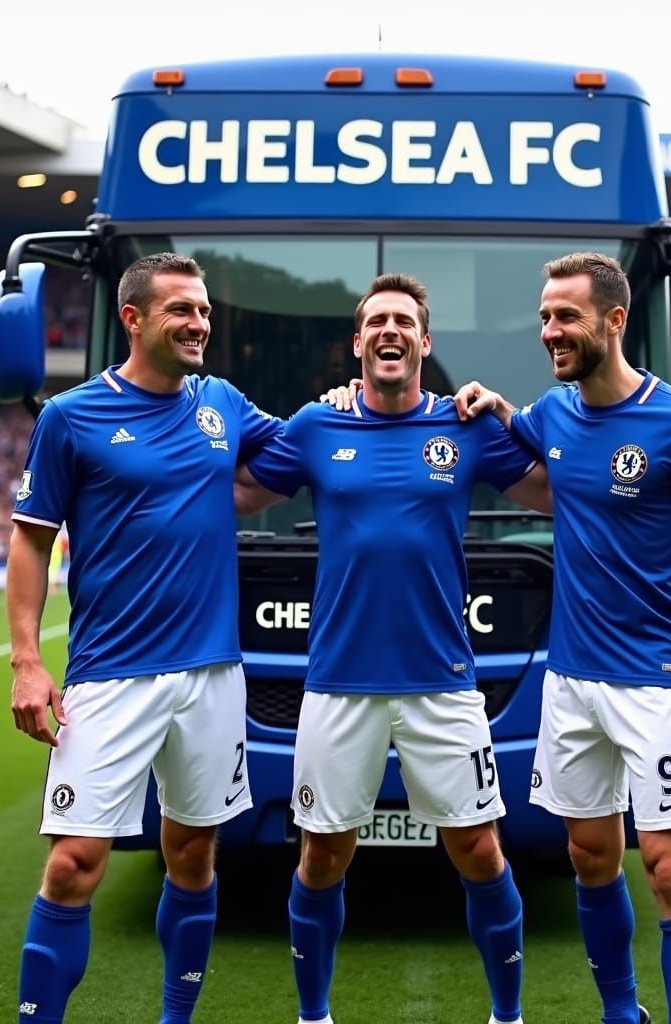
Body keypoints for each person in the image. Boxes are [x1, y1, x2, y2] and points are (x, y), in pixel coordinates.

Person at [234, 273, 552, 1024]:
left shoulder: (465, 427)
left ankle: (506, 1016)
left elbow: (552, 489)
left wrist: (516, 416)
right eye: (376, 320)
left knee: (479, 851)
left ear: (423, 342)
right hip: (338, 683)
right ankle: (315, 1016)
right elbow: (234, 492)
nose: (390, 331)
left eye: (404, 321)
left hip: (442, 682)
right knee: (321, 856)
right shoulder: (317, 426)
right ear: (358, 342)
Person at [454, 252, 671, 1024]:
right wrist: (492, 406)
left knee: (664, 868)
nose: (550, 331)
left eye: (566, 317)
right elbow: (541, 471)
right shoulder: (551, 416)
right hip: (570, 678)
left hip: (656, 679)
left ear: (615, 320)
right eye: (545, 317)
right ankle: (621, 1013)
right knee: (589, 856)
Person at [7, 252, 283, 1024]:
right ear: (132, 318)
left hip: (212, 676)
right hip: (110, 675)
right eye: (181, 310)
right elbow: (30, 541)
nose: (199, 323)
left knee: (193, 855)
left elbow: (293, 460)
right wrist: (27, 663)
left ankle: (175, 1018)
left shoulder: (222, 403)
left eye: (203, 311)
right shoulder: (70, 417)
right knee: (72, 864)